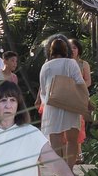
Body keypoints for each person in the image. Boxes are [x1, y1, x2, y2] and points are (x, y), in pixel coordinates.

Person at [38, 36, 91, 166]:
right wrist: (85, 99)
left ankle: (60, 170)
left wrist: (48, 101)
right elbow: (80, 83)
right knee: (72, 140)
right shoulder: (71, 63)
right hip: (70, 105)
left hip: (52, 106)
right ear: (65, 50)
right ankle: (69, 169)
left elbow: (43, 91)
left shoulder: (46, 66)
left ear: (50, 51)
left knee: (55, 139)